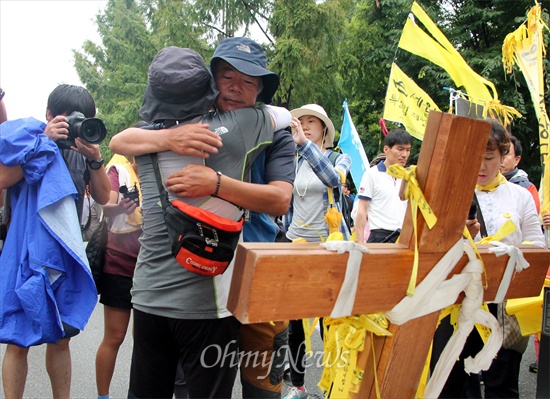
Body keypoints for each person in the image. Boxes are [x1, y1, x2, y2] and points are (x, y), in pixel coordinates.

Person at [109, 39, 295, 398]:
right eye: (227, 76)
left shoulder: (147, 138)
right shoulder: (238, 126)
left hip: (166, 290)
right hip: (209, 300)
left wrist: (215, 182)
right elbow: (285, 114)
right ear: (210, 82)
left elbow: (281, 200)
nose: (236, 87)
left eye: (249, 81)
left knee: (259, 387)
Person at [0, 84, 110, 399]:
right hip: (23, 253)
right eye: (68, 118)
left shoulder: (83, 153)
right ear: (49, 115)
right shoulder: (27, 140)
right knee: (17, 338)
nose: (76, 124)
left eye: (84, 118)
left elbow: (104, 197)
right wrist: (43, 142)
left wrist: (95, 159)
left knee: (61, 339)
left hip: (66, 256)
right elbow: (3, 179)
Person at [433, 119, 545, 398]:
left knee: (502, 383)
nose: (481, 167)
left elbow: (537, 245)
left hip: (503, 305)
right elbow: (431, 247)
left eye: (489, 158)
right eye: (474, 159)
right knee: (453, 384)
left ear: (504, 156)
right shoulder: (448, 195)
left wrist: (508, 251)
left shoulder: (520, 196)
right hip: (456, 304)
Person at [282, 104, 351, 399]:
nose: (306, 125)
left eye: (313, 121)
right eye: (302, 121)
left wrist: (305, 145)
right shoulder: (294, 160)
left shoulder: (339, 157)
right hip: (295, 245)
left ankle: (333, 386)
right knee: (294, 323)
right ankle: (297, 387)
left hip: (328, 248)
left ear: (324, 128)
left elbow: (333, 180)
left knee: (329, 323)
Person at [95, 154, 141, 399]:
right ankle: (104, 396)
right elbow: (106, 205)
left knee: (145, 341)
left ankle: (140, 393)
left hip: (152, 268)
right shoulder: (119, 171)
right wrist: (121, 207)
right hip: (120, 263)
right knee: (114, 337)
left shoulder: (164, 171)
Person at [353, 129, 412, 244]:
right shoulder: (372, 174)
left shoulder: (409, 177)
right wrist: (359, 241)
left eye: (408, 150)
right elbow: (362, 210)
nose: (404, 155)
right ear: (386, 149)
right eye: (400, 149)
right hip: (380, 237)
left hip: (404, 237)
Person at [500, 135, 540, 213]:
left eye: (505, 154)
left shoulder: (527, 188)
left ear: (517, 160)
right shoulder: (480, 184)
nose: (501, 159)